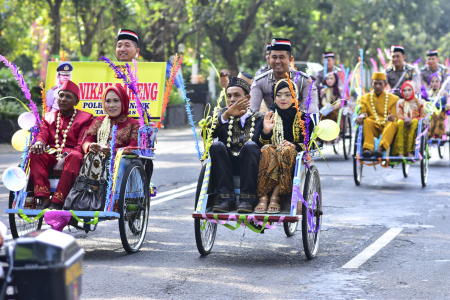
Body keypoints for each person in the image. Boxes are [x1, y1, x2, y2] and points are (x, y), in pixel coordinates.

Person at [30, 80, 94, 210]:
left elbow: (81, 143)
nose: (63, 99)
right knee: (35, 152)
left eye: (68, 97)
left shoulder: (86, 118)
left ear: (76, 102)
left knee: (76, 156)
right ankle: (43, 198)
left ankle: (57, 201)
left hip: (72, 157)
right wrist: (39, 142)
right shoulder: (48, 117)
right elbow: (43, 133)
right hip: (52, 155)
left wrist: (64, 159)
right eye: (61, 95)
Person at [255, 80, 313, 214]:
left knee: (285, 150)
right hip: (271, 157)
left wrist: (294, 145)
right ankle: (263, 196)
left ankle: (276, 196)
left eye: (288, 95)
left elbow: (310, 143)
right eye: (279, 95)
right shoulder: (269, 116)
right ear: (274, 97)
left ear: (295, 97)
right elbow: (259, 143)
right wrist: (267, 131)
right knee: (266, 149)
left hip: (292, 159)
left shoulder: (304, 118)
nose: (283, 98)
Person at [210, 77, 265, 213]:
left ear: (247, 98)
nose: (232, 100)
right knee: (216, 146)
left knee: (251, 145)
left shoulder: (260, 118)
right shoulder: (221, 115)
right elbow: (207, 135)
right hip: (226, 165)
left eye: (236, 95)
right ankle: (226, 200)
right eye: (229, 96)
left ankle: (247, 200)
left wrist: (267, 131)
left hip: (253, 167)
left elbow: (266, 145)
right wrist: (227, 115)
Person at [250, 38, 319, 114]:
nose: (278, 61)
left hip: (298, 123)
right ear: (269, 59)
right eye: (274, 57)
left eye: (282, 57)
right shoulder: (260, 81)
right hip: (271, 123)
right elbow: (252, 111)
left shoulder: (304, 80)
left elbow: (312, 110)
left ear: (290, 59)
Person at [82, 84, 140, 159]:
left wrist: (114, 151)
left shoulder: (134, 124)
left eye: (116, 101)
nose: (111, 105)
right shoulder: (99, 121)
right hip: (96, 163)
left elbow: (134, 148)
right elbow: (86, 141)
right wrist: (90, 146)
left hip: (121, 164)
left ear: (124, 102)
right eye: (108, 101)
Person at [356, 72, 399, 158]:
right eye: (375, 83)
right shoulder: (364, 98)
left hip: (386, 127)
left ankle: (380, 149)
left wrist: (392, 117)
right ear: (372, 84)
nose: (378, 86)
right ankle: (368, 149)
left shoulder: (394, 99)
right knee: (366, 120)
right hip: (373, 127)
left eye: (380, 84)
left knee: (393, 123)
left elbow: (395, 116)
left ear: (385, 85)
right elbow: (363, 112)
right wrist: (361, 115)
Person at [392, 81, 426, 157]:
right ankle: (400, 151)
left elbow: (423, 117)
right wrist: (405, 118)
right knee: (400, 122)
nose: (406, 92)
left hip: (416, 127)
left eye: (409, 90)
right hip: (403, 124)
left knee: (414, 121)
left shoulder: (421, 102)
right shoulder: (400, 102)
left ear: (414, 91)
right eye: (404, 90)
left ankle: (410, 151)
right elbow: (399, 116)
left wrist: (412, 119)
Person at [422, 73, 450, 138]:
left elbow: (448, 101)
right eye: (432, 81)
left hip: (441, 114)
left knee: (438, 115)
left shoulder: (444, 93)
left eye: (437, 81)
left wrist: (448, 105)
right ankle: (428, 133)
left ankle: (440, 133)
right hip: (429, 114)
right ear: (430, 83)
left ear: (440, 82)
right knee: (429, 116)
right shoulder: (427, 93)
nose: (435, 83)